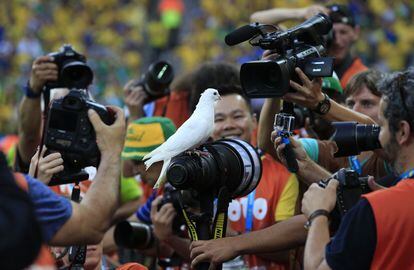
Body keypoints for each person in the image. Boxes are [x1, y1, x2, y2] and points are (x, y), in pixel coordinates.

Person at [302, 67, 414, 269]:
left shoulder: (374, 209)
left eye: (383, 126)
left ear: (403, 131)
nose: (378, 135)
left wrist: (318, 214)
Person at [26, 105, 126, 246]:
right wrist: (35, 184)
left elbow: (132, 202)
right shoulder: (33, 170)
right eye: (59, 117)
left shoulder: (101, 164)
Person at [250, 3, 367, 89]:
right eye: (331, 33)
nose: (336, 41)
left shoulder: (362, 75)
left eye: (343, 32)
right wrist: (300, 13)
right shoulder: (301, 58)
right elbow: (256, 21)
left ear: (356, 33)